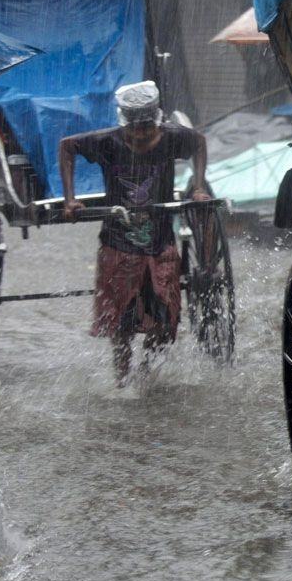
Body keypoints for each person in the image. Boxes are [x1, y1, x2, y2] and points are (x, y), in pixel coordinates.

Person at [59, 81, 211, 386]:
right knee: (122, 323)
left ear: (155, 121)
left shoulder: (172, 138)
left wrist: (198, 186)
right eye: (134, 128)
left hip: (160, 241)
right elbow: (67, 146)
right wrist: (70, 198)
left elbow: (200, 143)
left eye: (146, 127)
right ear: (124, 123)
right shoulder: (107, 142)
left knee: (166, 318)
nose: (140, 134)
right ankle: (123, 380)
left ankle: (148, 373)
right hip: (118, 243)